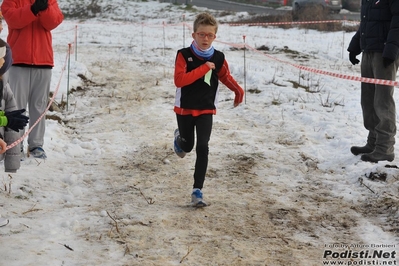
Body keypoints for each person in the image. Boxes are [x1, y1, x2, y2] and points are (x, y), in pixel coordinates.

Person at [173, 12, 244, 207]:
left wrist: (238, 91)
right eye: (202, 34)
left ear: (215, 36)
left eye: (210, 35)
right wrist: (204, 68)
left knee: (203, 147)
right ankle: (180, 138)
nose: (205, 38)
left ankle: (197, 191)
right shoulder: (184, 55)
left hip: (206, 109)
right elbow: (179, 80)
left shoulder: (218, 57)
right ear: (194, 35)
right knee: (187, 147)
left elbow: (225, 76)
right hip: (185, 109)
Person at [1, 0, 64, 159]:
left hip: (44, 62)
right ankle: (15, 145)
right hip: (18, 62)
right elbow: (13, 19)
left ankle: (36, 145)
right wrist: (32, 9)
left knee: (39, 106)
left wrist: (44, 9)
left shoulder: (50, 1)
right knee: (16, 107)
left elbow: (54, 21)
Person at [347, 1, 399, 163]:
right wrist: (355, 45)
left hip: (384, 53)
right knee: (368, 100)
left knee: (382, 101)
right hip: (368, 51)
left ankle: (385, 147)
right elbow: (367, 22)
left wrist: (391, 50)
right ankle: (374, 142)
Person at [0, 38, 29, 227]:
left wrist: (12, 161)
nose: (3, 63)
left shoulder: (3, 85)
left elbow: (11, 115)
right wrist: (5, 120)